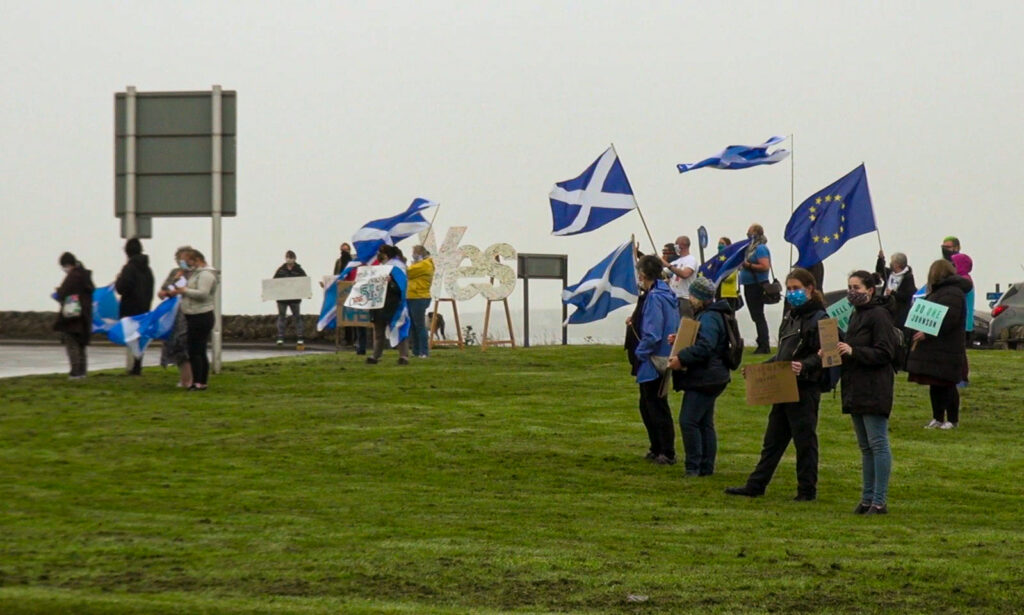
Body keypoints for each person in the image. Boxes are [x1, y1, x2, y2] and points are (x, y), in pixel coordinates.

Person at [725, 268, 826, 500]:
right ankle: (756, 485)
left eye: (796, 289)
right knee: (773, 441)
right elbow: (783, 354)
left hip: (805, 388)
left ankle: (806, 490)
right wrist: (759, 370)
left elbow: (829, 354)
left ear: (810, 289)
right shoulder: (791, 317)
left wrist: (806, 365)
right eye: (789, 289)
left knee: (804, 442)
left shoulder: (822, 318)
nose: (792, 293)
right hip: (783, 385)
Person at [834, 270, 896, 515]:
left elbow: (885, 352)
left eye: (857, 287)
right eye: (850, 287)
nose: (852, 292)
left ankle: (879, 500)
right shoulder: (855, 315)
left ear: (870, 290)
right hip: (855, 386)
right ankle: (867, 497)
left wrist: (853, 351)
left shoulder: (879, 315)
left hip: (874, 387)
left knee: (878, 444)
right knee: (865, 447)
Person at [668, 275, 731, 477]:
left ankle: (693, 467)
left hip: (706, 377)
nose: (690, 298)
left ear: (701, 297)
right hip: (714, 375)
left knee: (688, 421)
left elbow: (706, 346)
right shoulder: (712, 314)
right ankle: (705, 467)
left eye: (693, 295)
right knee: (704, 422)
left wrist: (682, 358)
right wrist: (679, 340)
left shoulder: (709, 317)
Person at [907, 259, 972, 429]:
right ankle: (937, 418)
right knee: (936, 384)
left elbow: (949, 319)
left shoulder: (952, 293)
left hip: (947, 347)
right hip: (936, 348)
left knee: (948, 385)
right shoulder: (940, 292)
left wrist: (927, 333)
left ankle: (952, 419)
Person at [632, 255, 680, 464]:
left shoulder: (654, 298)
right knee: (650, 403)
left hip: (653, 358)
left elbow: (652, 332)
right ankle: (658, 446)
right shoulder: (668, 293)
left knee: (654, 405)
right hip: (667, 354)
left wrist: (640, 353)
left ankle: (665, 450)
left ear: (643, 274)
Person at [171, 249, 217, 391]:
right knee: (198, 350)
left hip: (201, 315)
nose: (185, 263)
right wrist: (177, 282)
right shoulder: (195, 274)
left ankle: (198, 382)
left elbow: (203, 294)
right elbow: (181, 287)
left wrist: (184, 291)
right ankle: (200, 382)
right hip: (192, 315)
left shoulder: (206, 275)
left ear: (196, 259)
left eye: (187, 260)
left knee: (196, 351)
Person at [115, 237, 154, 374]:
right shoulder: (148, 269)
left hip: (130, 307)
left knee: (131, 337)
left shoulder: (129, 268)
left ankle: (136, 365)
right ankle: (137, 365)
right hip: (144, 307)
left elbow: (121, 288)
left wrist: (118, 279)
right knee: (139, 337)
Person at [53, 252, 95, 379]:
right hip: (85, 316)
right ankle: (82, 372)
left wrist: (58, 292)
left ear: (67, 265)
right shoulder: (85, 276)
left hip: (72, 317)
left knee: (72, 345)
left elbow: (63, 293)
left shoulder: (73, 276)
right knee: (81, 345)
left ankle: (75, 372)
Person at [368, 245, 411, 365]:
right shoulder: (379, 268)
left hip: (393, 304)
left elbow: (401, 288)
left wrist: (391, 282)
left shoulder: (397, 268)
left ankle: (403, 356)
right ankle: (375, 355)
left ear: (386, 254)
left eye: (380, 252)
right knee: (378, 332)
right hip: (379, 304)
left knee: (399, 328)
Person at [157, 246, 193, 388]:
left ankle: (189, 380)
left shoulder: (195, 274)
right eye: (179, 258)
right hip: (174, 315)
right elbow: (165, 289)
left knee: (186, 347)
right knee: (176, 347)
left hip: (188, 313)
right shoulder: (175, 273)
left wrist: (176, 286)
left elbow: (188, 290)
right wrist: (163, 293)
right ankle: (184, 379)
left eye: (185, 258)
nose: (182, 261)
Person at [739, 224, 772, 354]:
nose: (747, 234)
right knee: (756, 315)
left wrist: (748, 265)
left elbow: (765, 266)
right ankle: (762, 340)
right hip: (750, 284)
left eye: (750, 232)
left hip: (757, 285)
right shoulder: (750, 248)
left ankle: (764, 344)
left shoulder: (760, 248)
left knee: (758, 315)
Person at [274, 250, 307, 347]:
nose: (289, 259)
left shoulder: (299, 270)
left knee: (297, 317)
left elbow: (305, 282)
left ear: (294, 259)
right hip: (282, 299)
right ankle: (280, 337)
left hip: (294, 299)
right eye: (288, 257)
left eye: (291, 257)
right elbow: (274, 283)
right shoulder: (281, 269)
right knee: (281, 317)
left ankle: (300, 337)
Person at [876, 250, 916, 330]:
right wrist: (881, 258)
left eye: (892, 262)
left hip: (897, 312)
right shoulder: (890, 273)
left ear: (897, 264)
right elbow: (880, 270)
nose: (890, 264)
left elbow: (908, 295)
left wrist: (893, 293)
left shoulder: (908, 277)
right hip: (884, 306)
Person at [406, 245, 435, 358]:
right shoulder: (420, 264)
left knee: (419, 325)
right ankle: (416, 350)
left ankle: (424, 351)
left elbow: (408, 272)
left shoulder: (425, 264)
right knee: (413, 325)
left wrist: (413, 264)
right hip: (411, 296)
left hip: (419, 297)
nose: (413, 255)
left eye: (415, 253)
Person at [663, 236, 698, 318]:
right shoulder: (676, 262)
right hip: (673, 299)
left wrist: (668, 265)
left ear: (681, 246)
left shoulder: (691, 260)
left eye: (676, 244)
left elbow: (685, 274)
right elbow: (662, 272)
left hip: (684, 299)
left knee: (684, 326)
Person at [715, 237, 742, 311]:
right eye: (719, 243)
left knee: (729, 315)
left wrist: (720, 276)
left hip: (729, 293)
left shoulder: (733, 259)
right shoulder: (717, 260)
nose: (720, 245)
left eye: (722, 243)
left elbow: (731, 275)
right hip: (719, 292)